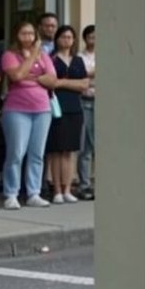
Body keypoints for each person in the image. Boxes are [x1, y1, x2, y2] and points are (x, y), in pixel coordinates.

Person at [0, 21, 56, 209]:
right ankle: (11, 194)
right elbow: (16, 76)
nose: (28, 37)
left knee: (37, 153)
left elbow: (52, 80)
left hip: (42, 109)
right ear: (17, 35)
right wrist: (33, 57)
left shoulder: (45, 55)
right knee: (16, 153)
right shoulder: (10, 55)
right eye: (24, 33)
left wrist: (34, 77)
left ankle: (34, 193)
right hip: (17, 109)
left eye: (31, 34)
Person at [46, 26, 89, 204]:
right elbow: (51, 82)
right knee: (57, 150)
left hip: (75, 108)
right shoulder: (51, 59)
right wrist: (70, 83)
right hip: (57, 107)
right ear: (57, 39)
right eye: (63, 36)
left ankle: (67, 188)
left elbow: (84, 84)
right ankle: (56, 189)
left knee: (70, 151)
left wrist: (62, 81)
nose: (67, 40)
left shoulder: (78, 60)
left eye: (70, 37)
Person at [76, 24, 95, 200]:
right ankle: (84, 185)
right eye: (91, 37)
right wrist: (93, 74)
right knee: (86, 146)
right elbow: (81, 76)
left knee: (102, 145)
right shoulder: (80, 57)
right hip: (86, 101)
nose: (94, 40)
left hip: (103, 102)